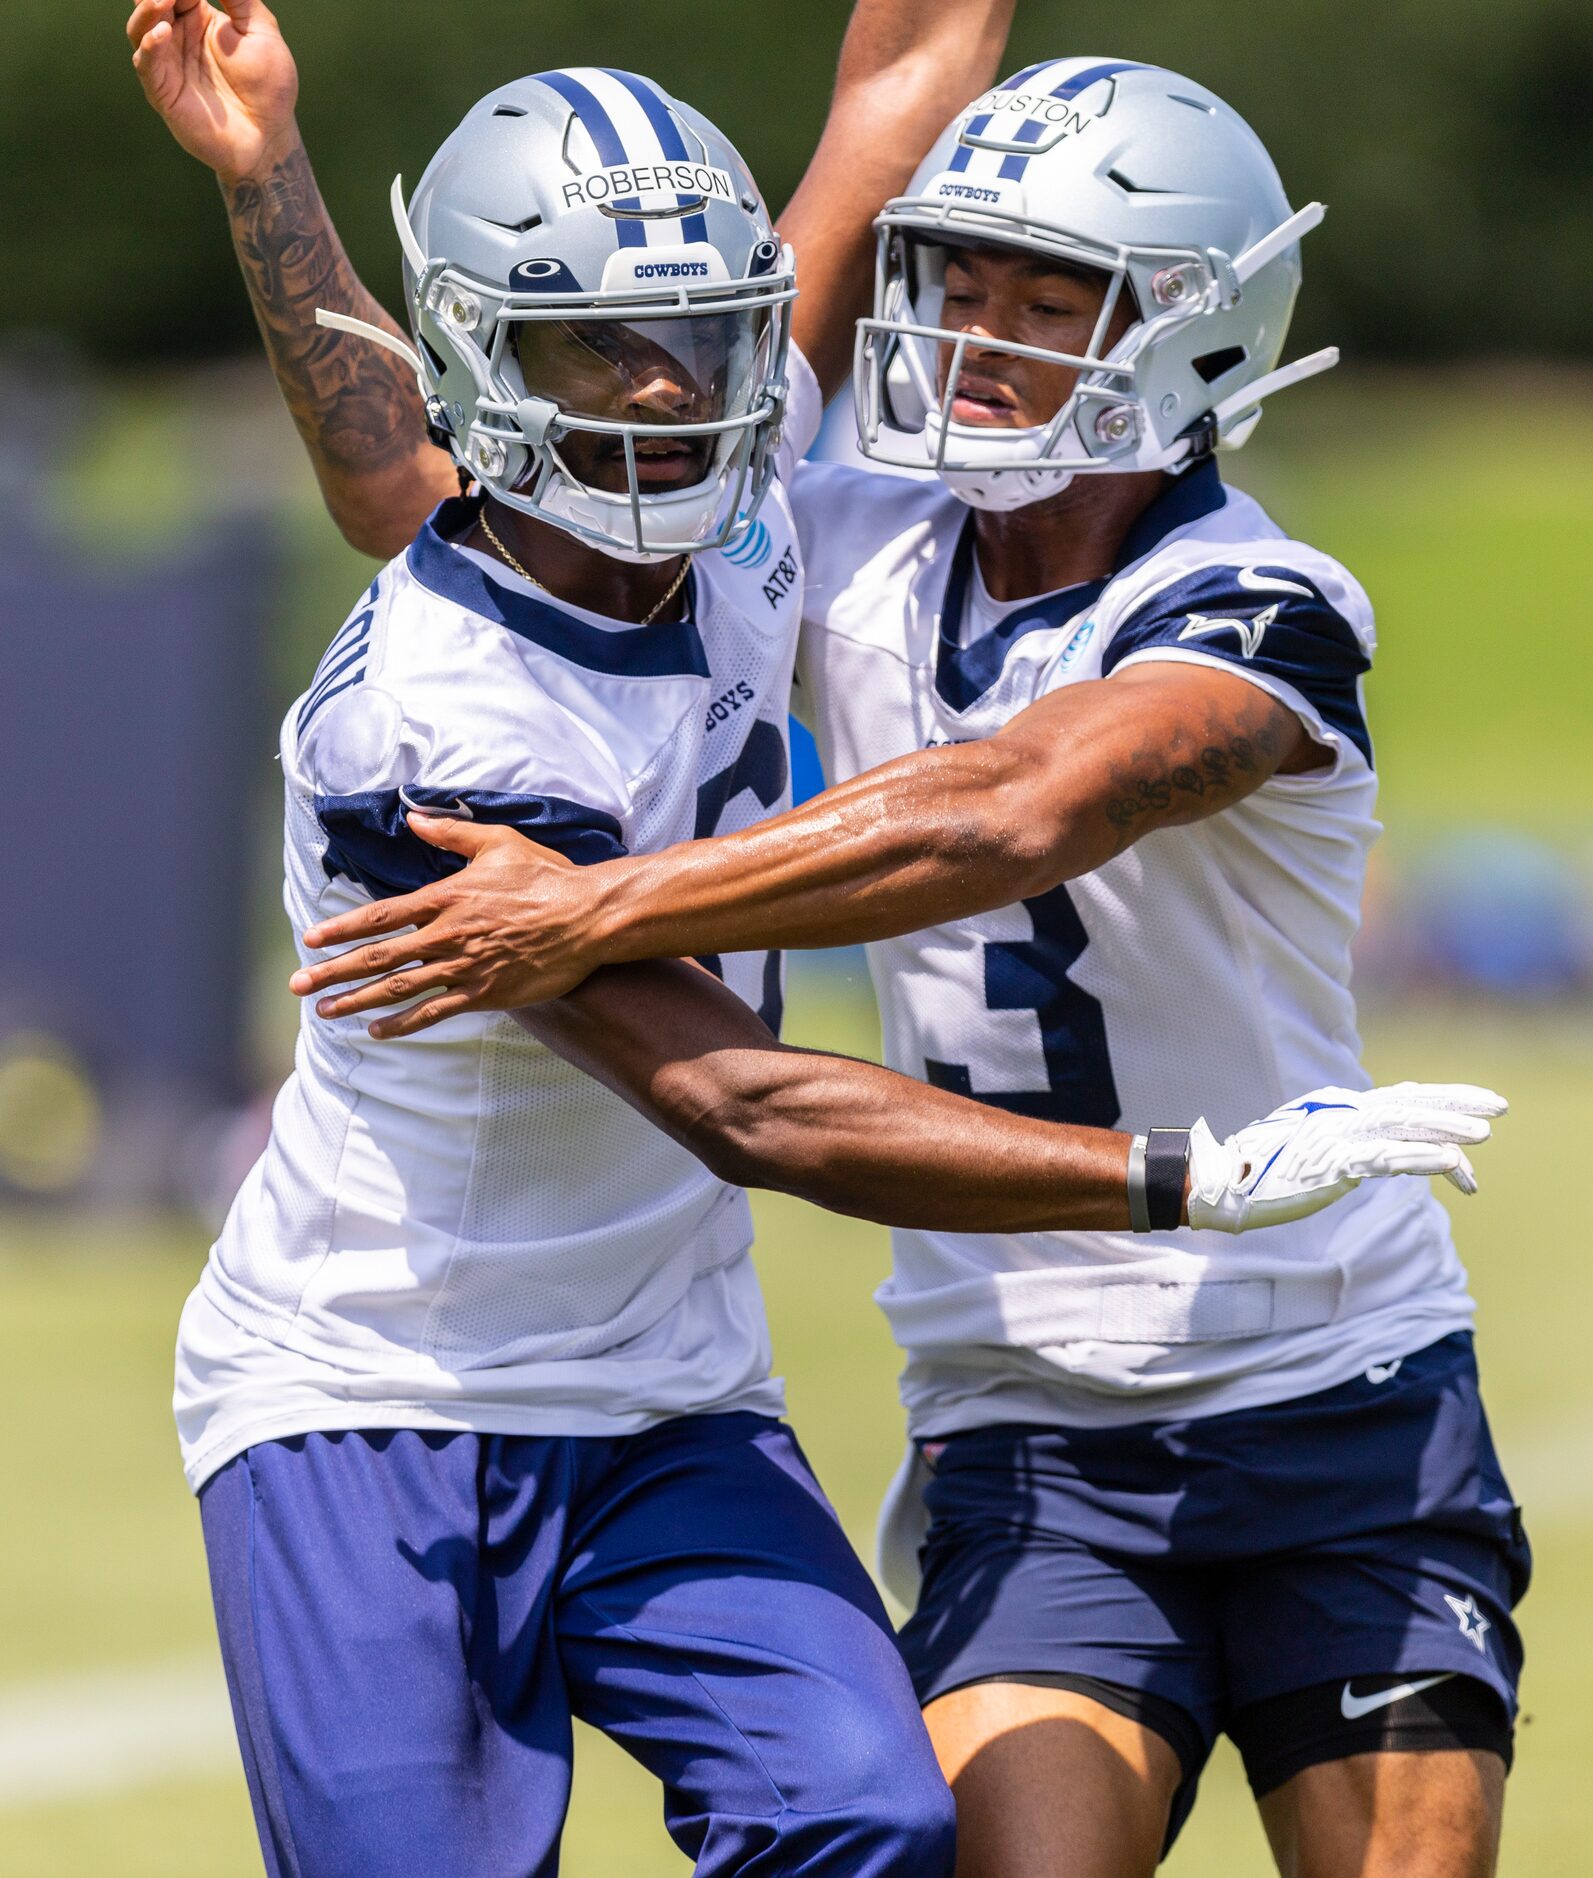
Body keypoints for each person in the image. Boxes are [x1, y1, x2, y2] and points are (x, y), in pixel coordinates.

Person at [128, 15, 1518, 1878]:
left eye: (1055, 304)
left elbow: (1015, 805)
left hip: (1323, 1375)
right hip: (967, 1404)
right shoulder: (788, 530)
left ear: (1191, 325)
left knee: (861, 1819)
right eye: (965, 284)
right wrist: (265, 177)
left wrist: (591, 909)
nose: (976, 338)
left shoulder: (1254, 604)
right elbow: (458, 502)